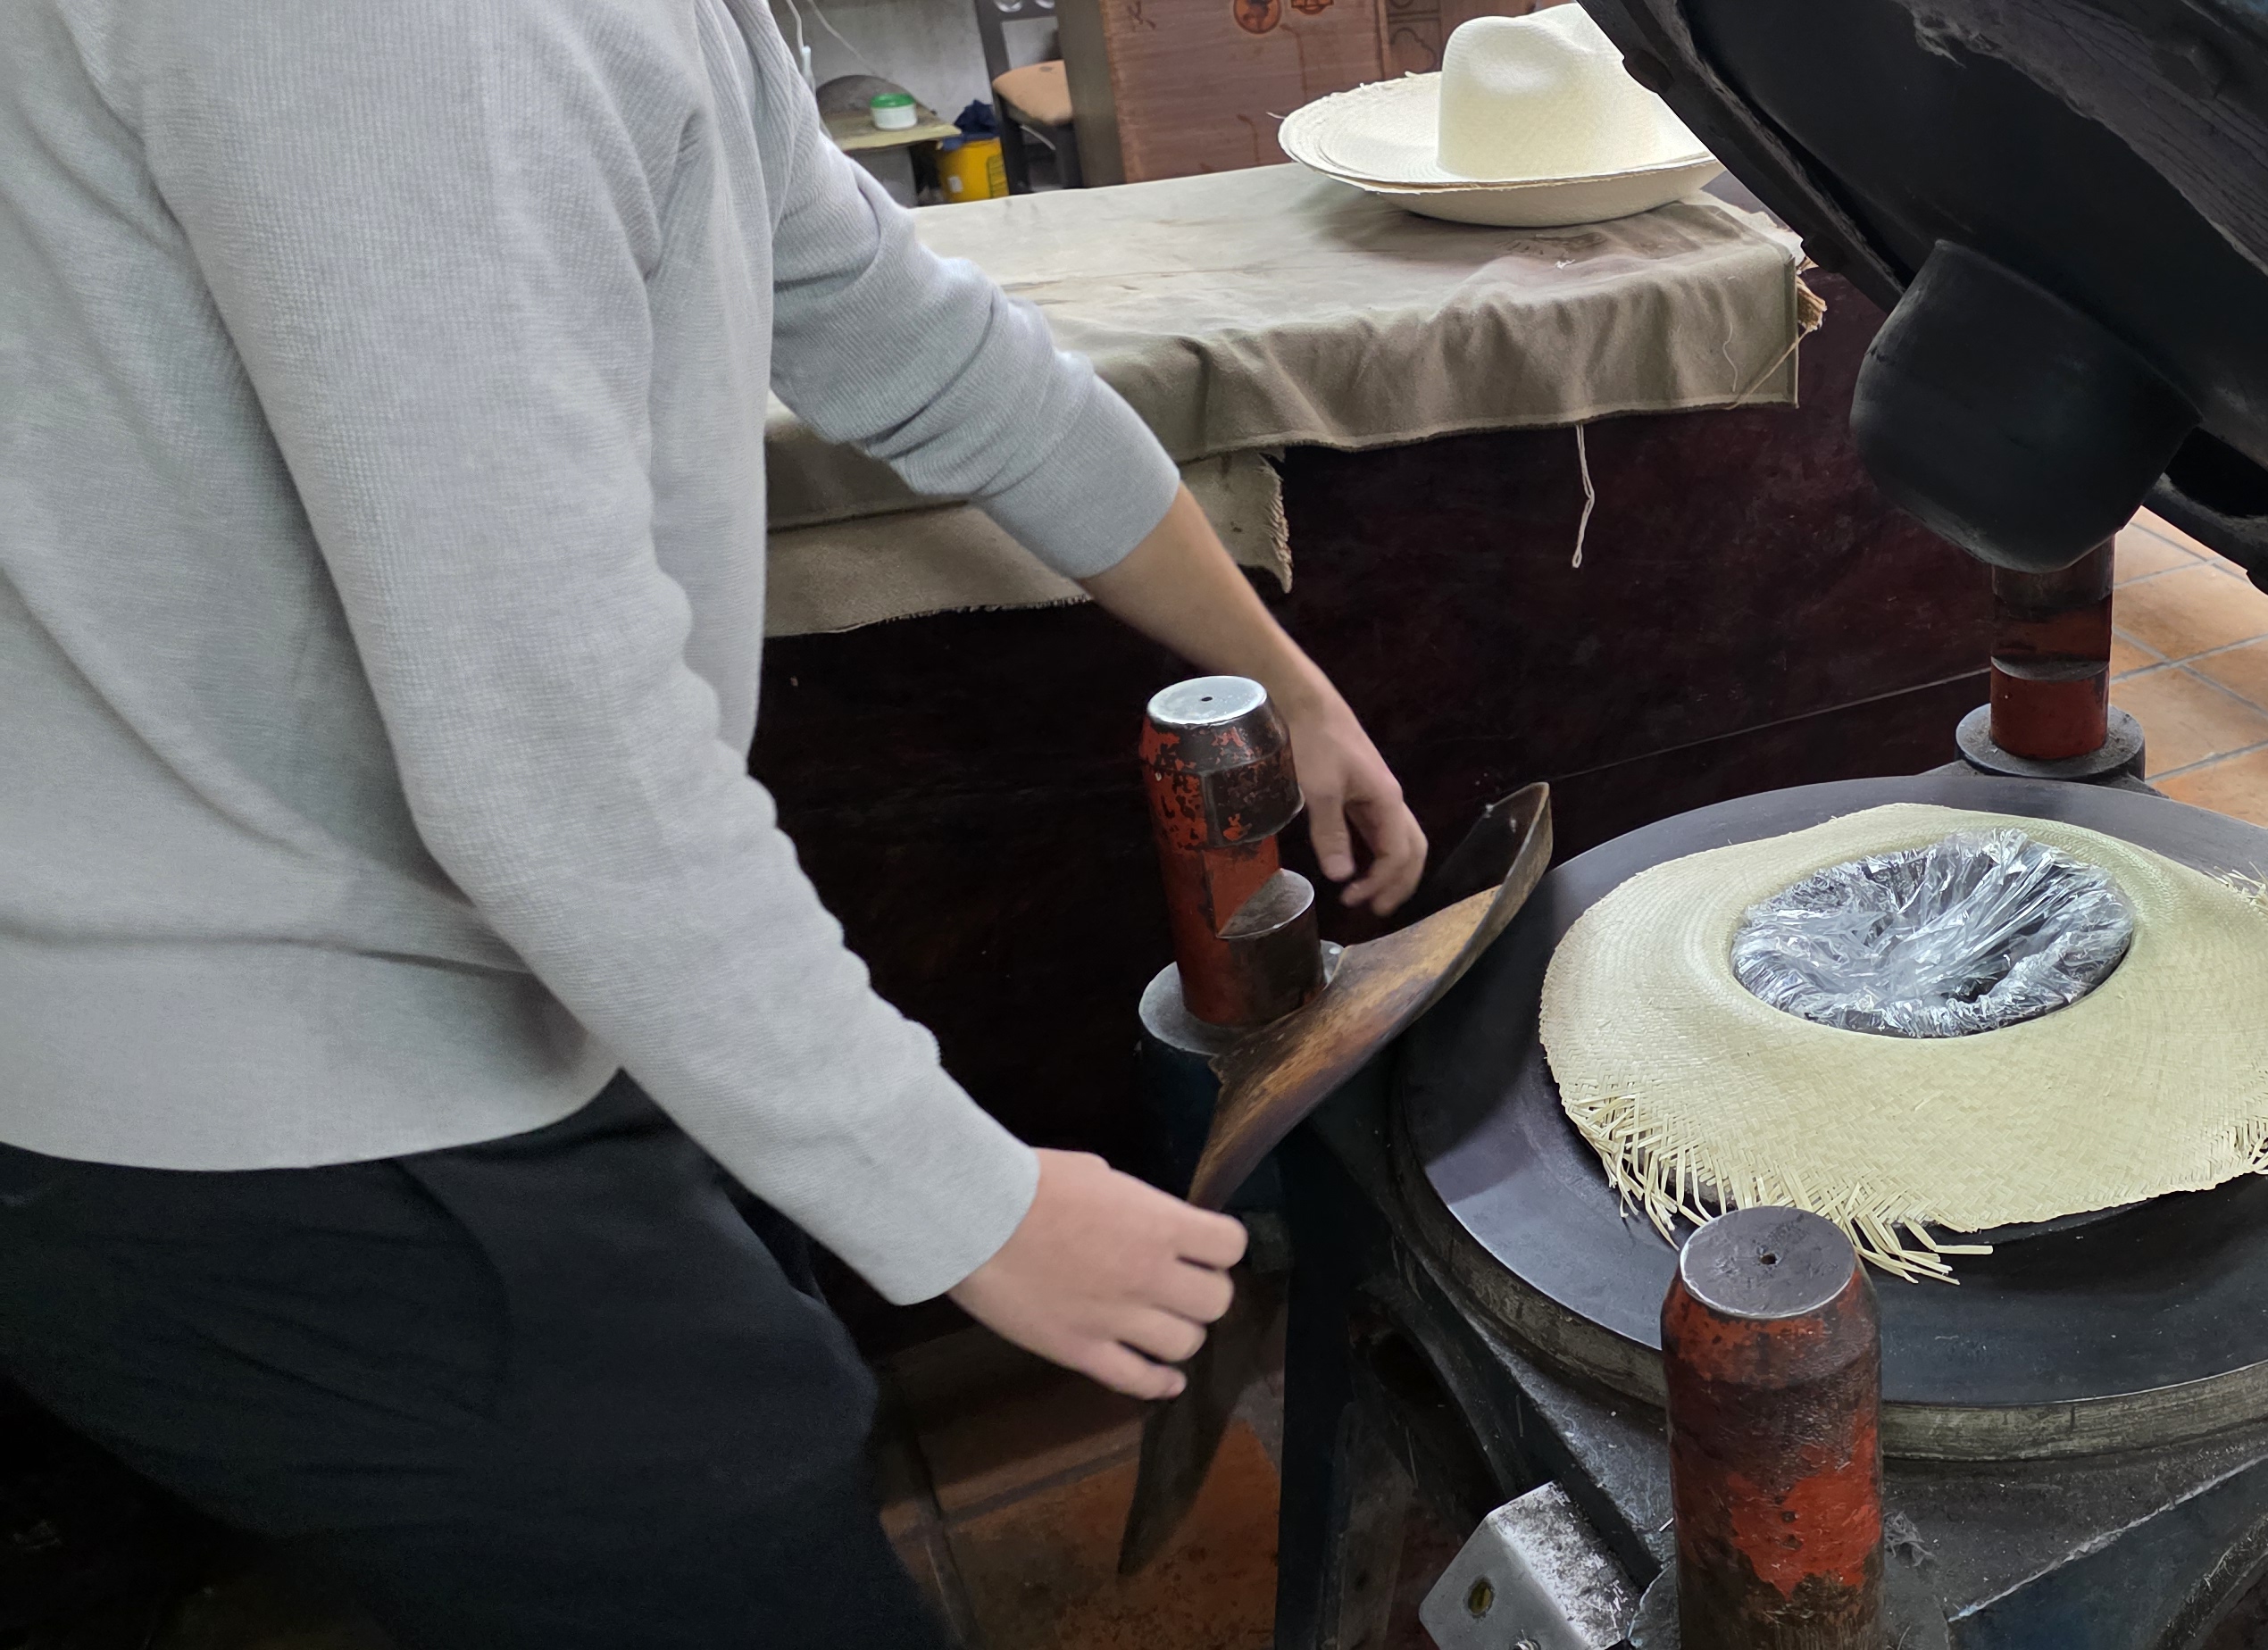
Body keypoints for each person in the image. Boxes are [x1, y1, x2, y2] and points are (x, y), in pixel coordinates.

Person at [0, 1, 1429, 1643]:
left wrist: (1278, 679)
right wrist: (966, 1198)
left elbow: (919, 340)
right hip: (259, 1090)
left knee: (765, 1419)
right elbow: (549, 746)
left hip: (481, 976)